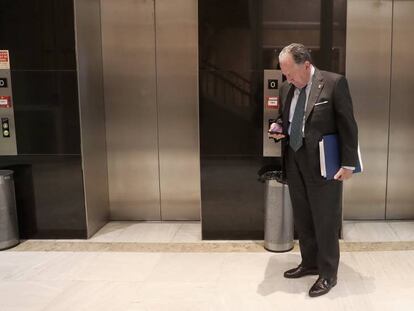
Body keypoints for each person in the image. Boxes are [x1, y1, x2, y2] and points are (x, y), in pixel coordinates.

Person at [268, 43, 359, 297]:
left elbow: (348, 125)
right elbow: (284, 118)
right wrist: (277, 127)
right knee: (304, 217)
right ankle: (309, 262)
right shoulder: (287, 88)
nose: (286, 78)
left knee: (325, 220)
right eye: (284, 73)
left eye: (290, 72)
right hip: (295, 163)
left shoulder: (333, 83)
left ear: (306, 65)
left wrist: (348, 164)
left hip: (324, 165)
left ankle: (328, 274)